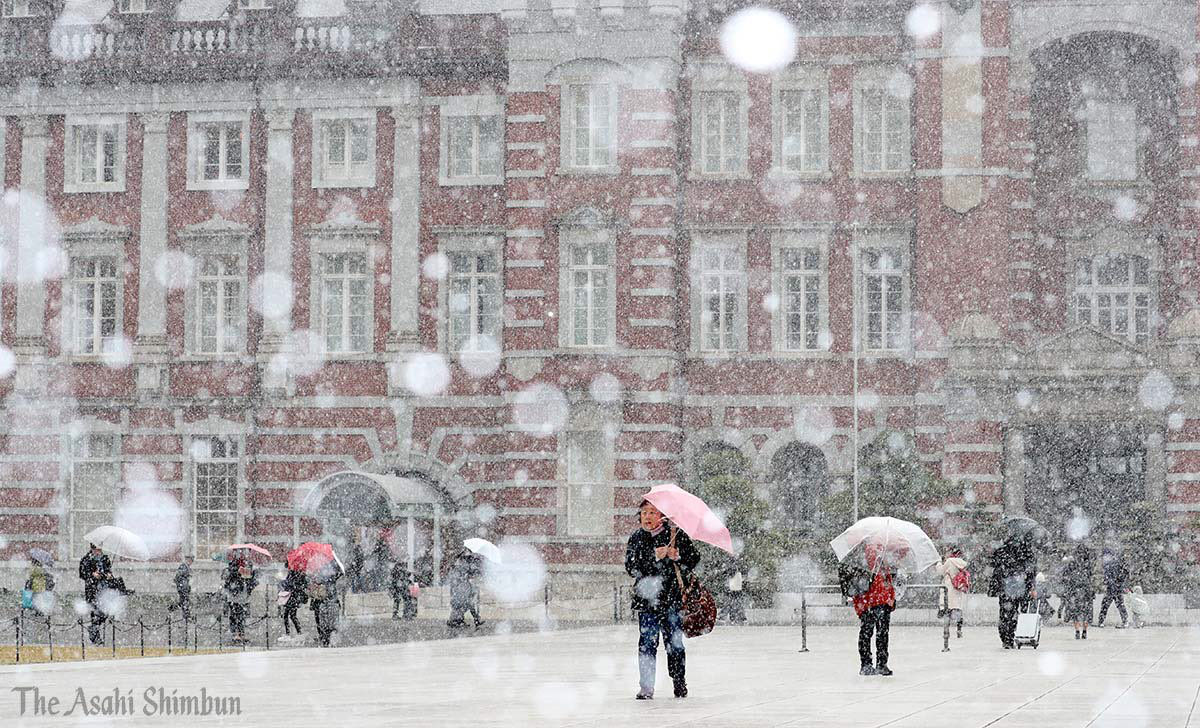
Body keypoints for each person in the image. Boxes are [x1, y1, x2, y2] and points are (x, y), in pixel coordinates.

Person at [624, 500, 700, 700]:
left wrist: (678, 556)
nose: (647, 517)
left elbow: (694, 559)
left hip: (671, 600)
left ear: (662, 517)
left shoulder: (675, 535)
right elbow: (631, 568)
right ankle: (646, 687)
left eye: (652, 512)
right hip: (646, 601)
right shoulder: (637, 538)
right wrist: (654, 556)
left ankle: (678, 680)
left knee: (674, 644)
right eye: (644, 512)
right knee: (647, 643)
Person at [853, 544, 897, 676]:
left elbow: (887, 583)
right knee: (875, 634)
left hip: (879, 604)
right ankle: (874, 664)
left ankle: (875, 664)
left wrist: (891, 598)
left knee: (877, 634)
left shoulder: (882, 564)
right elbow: (860, 587)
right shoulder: (867, 564)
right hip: (872, 604)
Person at [989, 538, 1037, 649]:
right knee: (1021, 613)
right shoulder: (1026, 552)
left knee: (1005, 614)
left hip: (1005, 588)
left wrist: (996, 586)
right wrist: (1032, 586)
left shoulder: (1001, 552)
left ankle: (1006, 638)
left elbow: (995, 569)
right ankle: (1019, 634)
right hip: (1021, 587)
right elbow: (1031, 571)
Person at [78, 544, 112, 645]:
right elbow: (82, 574)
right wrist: (92, 575)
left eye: (100, 549)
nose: (98, 551)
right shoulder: (86, 559)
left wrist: (109, 574)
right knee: (95, 612)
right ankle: (95, 637)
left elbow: (108, 571)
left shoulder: (105, 559)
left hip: (104, 589)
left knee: (105, 611)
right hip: (92, 590)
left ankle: (94, 629)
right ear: (92, 549)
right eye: (96, 549)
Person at [1062, 544, 1096, 639]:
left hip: (1075, 588)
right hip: (1086, 589)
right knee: (1086, 611)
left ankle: (1077, 631)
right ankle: (1084, 631)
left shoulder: (1072, 562)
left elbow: (1066, 575)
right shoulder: (1088, 563)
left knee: (1075, 611)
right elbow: (1090, 575)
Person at [222, 555, 258, 644]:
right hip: (234, 596)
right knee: (235, 615)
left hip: (243, 596)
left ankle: (241, 633)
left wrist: (251, 576)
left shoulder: (248, 565)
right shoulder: (232, 568)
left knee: (241, 616)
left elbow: (252, 579)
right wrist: (238, 573)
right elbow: (229, 579)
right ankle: (235, 634)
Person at [446, 550, 484, 629]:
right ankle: (457, 620)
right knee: (463, 605)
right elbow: (459, 577)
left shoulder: (458, 565)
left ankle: (462, 620)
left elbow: (466, 574)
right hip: (460, 589)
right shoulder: (459, 566)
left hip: (462, 589)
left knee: (462, 605)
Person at [937, 546, 968, 638]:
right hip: (958, 588)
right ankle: (959, 630)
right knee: (958, 608)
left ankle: (947, 631)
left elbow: (940, 571)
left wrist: (939, 562)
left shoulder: (950, 561)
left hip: (949, 588)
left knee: (948, 609)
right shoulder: (963, 563)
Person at [308, 565, 342, 647]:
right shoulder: (329, 576)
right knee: (327, 622)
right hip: (325, 601)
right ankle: (326, 638)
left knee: (323, 622)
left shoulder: (319, 576)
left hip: (322, 602)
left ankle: (325, 638)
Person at [1096, 548, 1130, 629]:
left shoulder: (1111, 564)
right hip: (1116, 588)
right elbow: (1124, 574)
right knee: (1119, 605)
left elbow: (1110, 576)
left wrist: (1111, 582)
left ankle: (1101, 622)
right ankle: (1125, 621)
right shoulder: (1115, 563)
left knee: (1106, 605)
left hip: (1113, 588)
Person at [279, 568, 307, 638]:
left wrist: (293, 586)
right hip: (289, 597)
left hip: (294, 597)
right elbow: (286, 582)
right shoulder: (291, 572)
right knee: (286, 615)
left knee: (292, 615)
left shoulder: (301, 574)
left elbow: (302, 586)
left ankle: (298, 632)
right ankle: (289, 632)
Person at [171, 556, 193, 622]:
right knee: (185, 601)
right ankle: (186, 615)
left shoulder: (186, 567)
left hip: (184, 587)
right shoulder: (183, 567)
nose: (191, 562)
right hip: (183, 588)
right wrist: (180, 585)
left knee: (183, 601)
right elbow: (178, 576)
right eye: (190, 560)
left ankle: (172, 608)